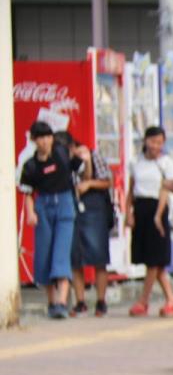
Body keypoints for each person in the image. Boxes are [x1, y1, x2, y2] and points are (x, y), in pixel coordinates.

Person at [19, 122, 77, 319]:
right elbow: (27, 192)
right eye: (41, 137)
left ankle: (62, 301)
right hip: (43, 205)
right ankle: (51, 301)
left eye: (48, 136)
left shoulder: (61, 153)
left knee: (61, 251)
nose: (45, 141)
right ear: (34, 140)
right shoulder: (30, 165)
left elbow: (78, 162)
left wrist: (83, 157)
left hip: (64, 202)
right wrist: (30, 213)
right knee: (43, 254)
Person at [126, 126, 173, 317]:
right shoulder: (136, 162)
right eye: (152, 141)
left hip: (158, 209)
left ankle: (143, 301)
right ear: (145, 141)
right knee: (153, 262)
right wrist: (128, 212)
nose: (156, 146)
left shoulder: (166, 163)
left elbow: (165, 190)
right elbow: (131, 189)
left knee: (154, 261)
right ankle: (171, 300)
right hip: (140, 208)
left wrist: (158, 215)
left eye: (159, 142)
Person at [66, 135, 115, 317]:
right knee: (75, 256)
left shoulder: (94, 156)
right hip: (74, 208)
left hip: (95, 209)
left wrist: (89, 180)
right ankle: (80, 301)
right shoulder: (67, 161)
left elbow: (107, 181)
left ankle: (101, 300)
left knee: (98, 255)